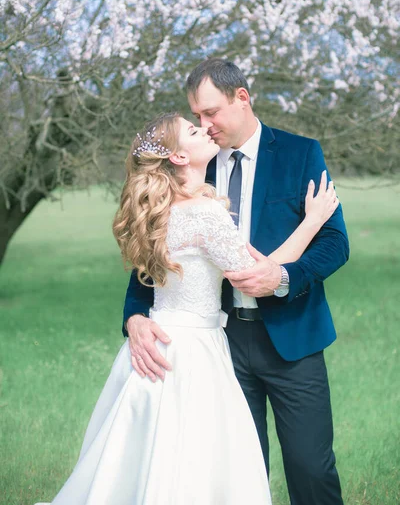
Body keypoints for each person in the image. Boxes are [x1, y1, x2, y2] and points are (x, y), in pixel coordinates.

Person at [35, 111, 338, 505]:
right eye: (194, 127)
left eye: (206, 115)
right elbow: (255, 275)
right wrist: (311, 222)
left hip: (159, 347)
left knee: (150, 458)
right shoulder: (204, 211)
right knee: (201, 461)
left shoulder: (158, 209)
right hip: (194, 351)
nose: (205, 127)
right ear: (178, 157)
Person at [124, 59, 349, 505]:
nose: (204, 126)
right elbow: (152, 256)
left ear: (241, 98)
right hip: (218, 347)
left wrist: (284, 277)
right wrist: (133, 316)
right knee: (234, 471)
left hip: (292, 338)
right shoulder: (192, 167)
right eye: (196, 117)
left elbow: (335, 243)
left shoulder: (301, 152)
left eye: (211, 113)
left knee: (311, 467)